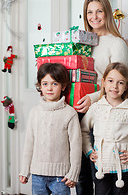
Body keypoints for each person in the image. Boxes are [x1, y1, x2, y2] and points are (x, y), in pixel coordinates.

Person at [75, 0, 128, 195]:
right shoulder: (82, 41)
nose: (94, 16)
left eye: (99, 11)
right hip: (79, 111)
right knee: (80, 175)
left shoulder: (116, 43)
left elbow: (118, 85)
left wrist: (92, 98)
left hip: (102, 114)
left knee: (101, 175)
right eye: (89, 12)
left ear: (107, 12)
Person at [81, 62, 128, 195]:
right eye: (111, 81)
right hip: (101, 168)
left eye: (120, 82)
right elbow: (83, 130)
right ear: (104, 82)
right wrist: (88, 150)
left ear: (126, 87)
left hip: (123, 170)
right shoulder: (96, 108)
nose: (115, 86)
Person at [19, 63, 82, 195]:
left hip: (61, 177)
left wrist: (73, 173)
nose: (49, 88)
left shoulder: (70, 113)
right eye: (45, 84)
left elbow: (76, 146)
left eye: (54, 84)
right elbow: (29, 144)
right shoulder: (34, 112)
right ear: (40, 86)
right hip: (37, 175)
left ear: (63, 86)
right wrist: (25, 170)